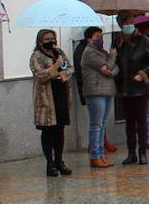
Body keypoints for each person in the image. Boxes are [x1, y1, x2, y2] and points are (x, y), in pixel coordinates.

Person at [115, 12, 149, 165]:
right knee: (129, 121)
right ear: (121, 25)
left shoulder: (143, 40)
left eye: (131, 23)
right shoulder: (118, 41)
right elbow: (115, 62)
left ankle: (143, 152)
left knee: (141, 120)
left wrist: (143, 74)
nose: (129, 26)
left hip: (140, 87)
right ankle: (131, 152)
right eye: (126, 23)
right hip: (124, 87)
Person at [30, 29, 73, 177]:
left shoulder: (59, 52)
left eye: (52, 38)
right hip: (46, 99)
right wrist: (55, 67)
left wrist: (63, 73)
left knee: (60, 130)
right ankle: (50, 163)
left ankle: (59, 161)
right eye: (47, 39)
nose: (50, 41)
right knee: (48, 132)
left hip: (60, 94)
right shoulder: (36, 56)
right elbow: (40, 75)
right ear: (40, 41)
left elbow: (69, 67)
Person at [78, 26, 116, 168]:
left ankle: (101, 154)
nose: (101, 39)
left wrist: (111, 66)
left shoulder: (103, 52)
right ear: (89, 39)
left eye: (101, 36)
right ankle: (95, 155)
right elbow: (107, 68)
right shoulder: (89, 52)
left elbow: (113, 69)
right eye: (97, 37)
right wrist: (112, 57)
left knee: (103, 124)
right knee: (96, 124)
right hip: (95, 91)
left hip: (108, 90)